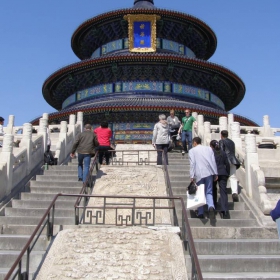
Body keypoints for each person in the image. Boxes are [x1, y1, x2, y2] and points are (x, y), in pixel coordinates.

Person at [189, 137, 218, 219]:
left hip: (199, 173)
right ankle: (211, 207)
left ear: (194, 142)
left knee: (200, 192)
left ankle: (200, 212)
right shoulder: (209, 149)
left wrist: (192, 175)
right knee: (209, 191)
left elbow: (192, 164)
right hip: (209, 172)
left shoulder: (192, 151)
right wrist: (215, 173)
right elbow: (213, 161)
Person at [210, 140, 230, 219]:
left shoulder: (212, 153)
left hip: (214, 174)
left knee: (213, 190)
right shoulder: (223, 152)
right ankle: (224, 210)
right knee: (223, 192)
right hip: (223, 173)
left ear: (211, 146)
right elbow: (227, 164)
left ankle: (214, 205)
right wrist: (227, 173)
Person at [219, 130, 241, 202]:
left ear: (221, 135)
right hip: (233, 160)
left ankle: (223, 190)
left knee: (223, 176)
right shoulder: (232, 142)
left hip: (226, 161)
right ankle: (234, 192)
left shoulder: (221, 141)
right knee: (233, 177)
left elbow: (222, 152)